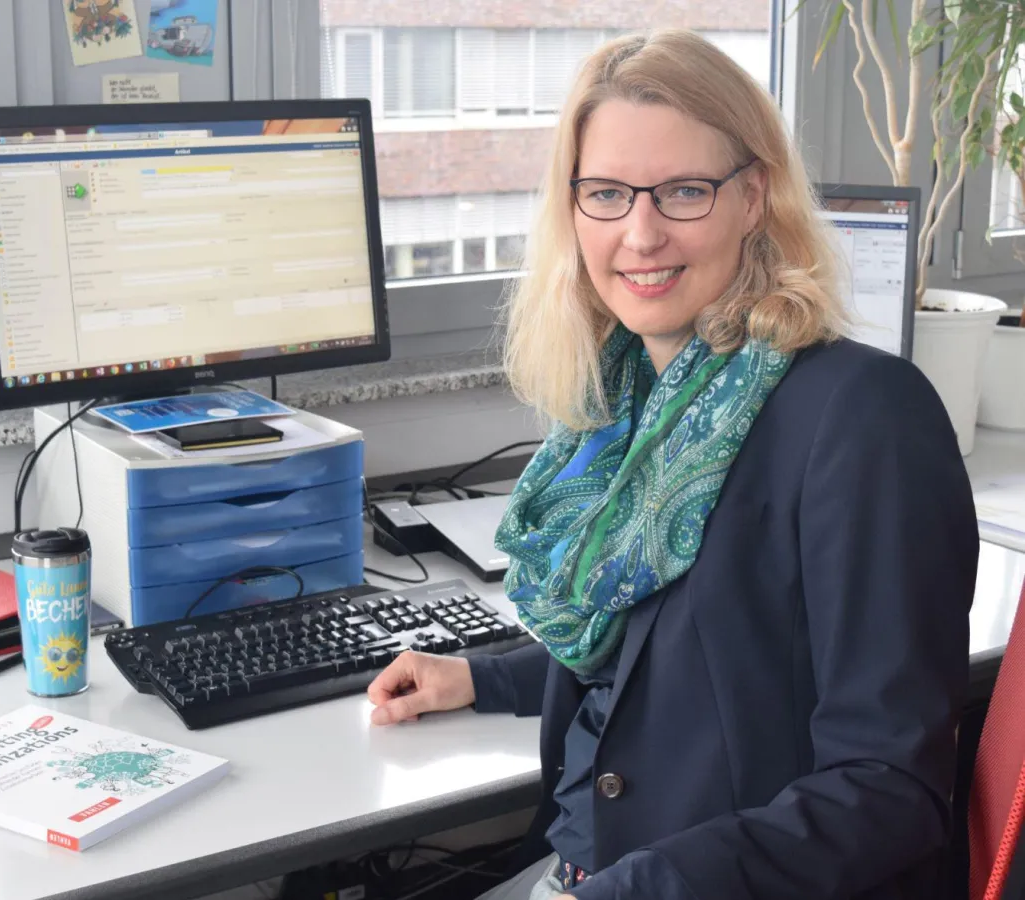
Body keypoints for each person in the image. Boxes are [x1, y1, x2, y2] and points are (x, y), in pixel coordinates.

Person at [367, 28, 979, 900]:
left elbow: (890, 792)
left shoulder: (860, 416)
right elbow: (680, 651)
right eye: (607, 194)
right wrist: (480, 676)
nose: (640, 233)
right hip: (585, 866)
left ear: (753, 199)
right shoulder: (620, 410)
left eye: (685, 192)